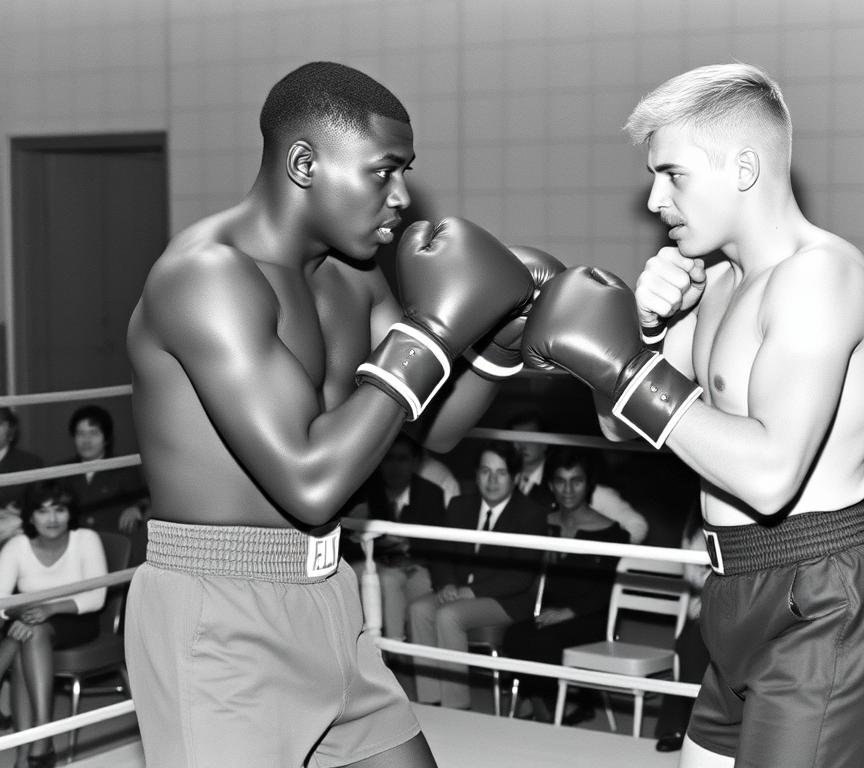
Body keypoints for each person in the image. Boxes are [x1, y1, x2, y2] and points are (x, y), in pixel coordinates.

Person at [124, 61, 562, 768]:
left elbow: (434, 425)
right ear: (305, 164)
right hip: (219, 617)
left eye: (405, 172)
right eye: (383, 171)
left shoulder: (355, 278)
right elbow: (310, 480)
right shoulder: (206, 277)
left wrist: (495, 347)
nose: (402, 196)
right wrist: (439, 330)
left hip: (329, 596)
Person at [522, 62, 864, 768]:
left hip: (820, 593)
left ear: (743, 167)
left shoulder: (821, 277)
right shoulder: (715, 284)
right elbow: (624, 426)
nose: (653, 198)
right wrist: (640, 330)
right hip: (731, 588)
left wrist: (624, 364)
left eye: (672, 174)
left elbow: (768, 475)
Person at [407, 441, 548, 710]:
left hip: (507, 600)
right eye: (485, 471)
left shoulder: (531, 515)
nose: (492, 480)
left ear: (516, 477)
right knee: (418, 610)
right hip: (458, 589)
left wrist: (473, 591)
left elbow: (521, 577)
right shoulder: (460, 505)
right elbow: (440, 553)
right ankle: (429, 700)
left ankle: (456, 707)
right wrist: (446, 582)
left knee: (449, 616)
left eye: (501, 473)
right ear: (476, 475)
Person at [502, 445, 628, 724]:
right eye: (560, 480)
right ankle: (542, 704)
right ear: (550, 484)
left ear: (589, 484)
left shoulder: (612, 532)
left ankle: (558, 708)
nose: (568, 489)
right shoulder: (541, 524)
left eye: (576, 481)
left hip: (591, 616)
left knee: (543, 640)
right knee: (514, 634)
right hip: (545, 612)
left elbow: (609, 589)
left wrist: (570, 611)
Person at [0, 479, 107, 768]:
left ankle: (40, 741)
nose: (51, 519)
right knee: (28, 635)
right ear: (31, 516)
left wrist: (50, 608)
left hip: (77, 619)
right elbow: (0, 599)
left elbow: (97, 598)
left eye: (59, 509)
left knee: (23, 635)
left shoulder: (86, 539)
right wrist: (26, 612)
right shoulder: (18, 546)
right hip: (30, 619)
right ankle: (33, 753)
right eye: (42, 511)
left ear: (69, 512)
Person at [349, 432, 447, 640]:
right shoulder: (367, 490)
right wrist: (380, 542)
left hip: (418, 567)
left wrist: (405, 549)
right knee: (351, 576)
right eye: (388, 458)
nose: (394, 466)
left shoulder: (431, 493)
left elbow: (437, 546)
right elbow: (348, 540)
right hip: (376, 561)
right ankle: (359, 648)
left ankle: (393, 649)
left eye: (402, 459)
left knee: (388, 580)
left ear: (415, 462)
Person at [506, 409, 650, 544]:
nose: (522, 446)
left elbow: (636, 525)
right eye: (516, 439)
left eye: (529, 438)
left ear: (545, 443)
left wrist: (602, 554)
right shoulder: (504, 480)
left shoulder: (578, 481)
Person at [653, 498, 711, 753]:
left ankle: (691, 727)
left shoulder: (745, 521)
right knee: (689, 640)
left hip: (738, 604)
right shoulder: (694, 525)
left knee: (697, 637)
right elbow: (691, 574)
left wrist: (710, 596)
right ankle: (682, 725)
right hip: (709, 604)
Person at [61, 405, 149, 565]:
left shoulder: (123, 468)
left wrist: (136, 508)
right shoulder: (61, 471)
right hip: (71, 552)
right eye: (80, 433)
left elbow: (144, 499)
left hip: (112, 550)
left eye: (93, 433)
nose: (86, 440)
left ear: (106, 438)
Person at [0, 408, 44, 546]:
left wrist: (21, 514)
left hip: (18, 539)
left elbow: (42, 506)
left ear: (11, 432)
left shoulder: (30, 463)